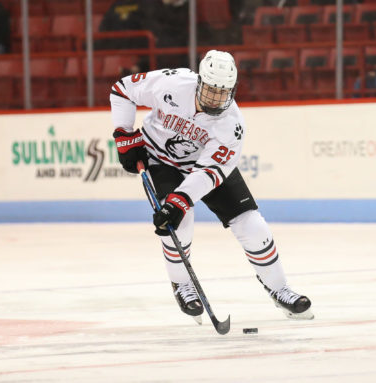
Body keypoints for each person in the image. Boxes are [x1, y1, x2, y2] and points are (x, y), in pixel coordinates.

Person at [109, 50, 313, 322]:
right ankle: (182, 285)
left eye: (223, 92)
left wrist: (180, 199)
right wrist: (124, 135)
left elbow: (209, 172)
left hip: (204, 167)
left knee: (252, 225)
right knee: (177, 226)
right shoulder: (173, 83)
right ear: (199, 81)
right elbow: (122, 89)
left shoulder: (232, 125)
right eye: (211, 90)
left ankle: (280, 289)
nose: (216, 98)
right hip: (159, 160)